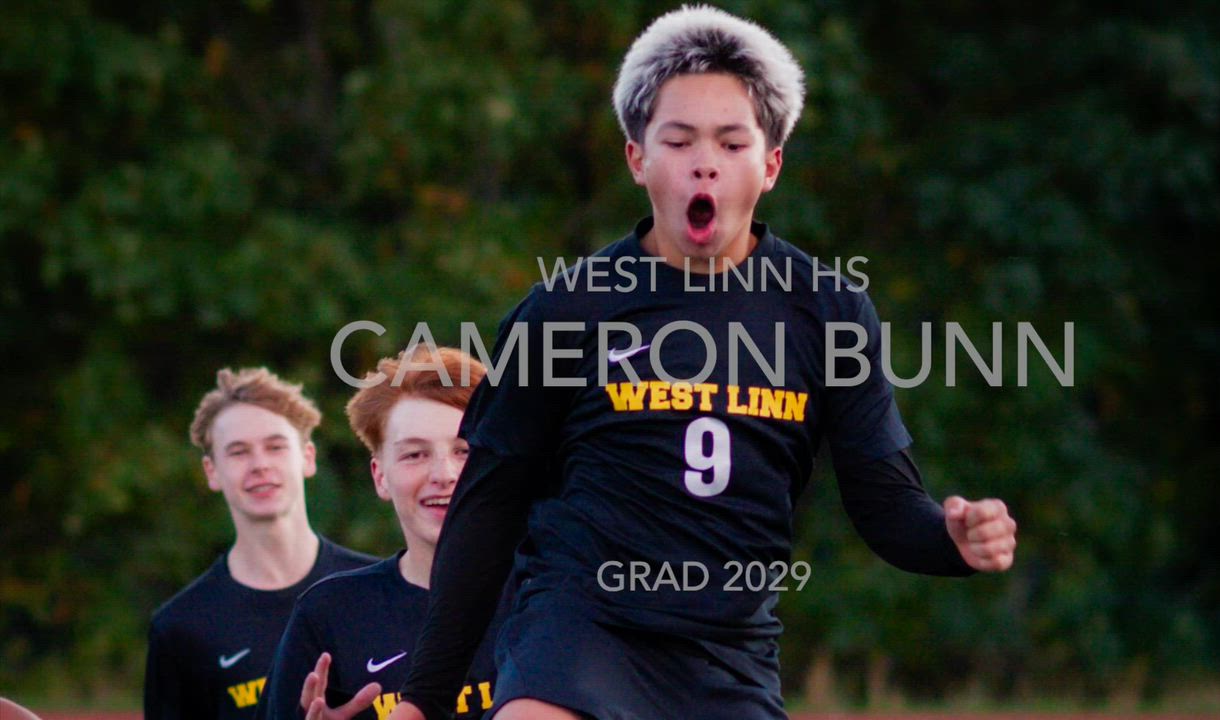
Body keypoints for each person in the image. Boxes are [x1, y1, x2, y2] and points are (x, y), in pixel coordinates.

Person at [391, 6, 1018, 719]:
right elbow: (488, 508)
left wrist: (950, 539)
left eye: (731, 140)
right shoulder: (566, 311)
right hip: (579, 634)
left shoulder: (827, 312)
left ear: (770, 165)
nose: (705, 160)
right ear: (638, 159)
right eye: (679, 138)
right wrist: (423, 699)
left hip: (728, 657)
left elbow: (885, 506)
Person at [258, 347, 510, 720]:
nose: (444, 474)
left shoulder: (554, 592)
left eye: (464, 450)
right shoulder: (330, 613)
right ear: (380, 476)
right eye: (415, 454)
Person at [145, 367, 376, 720]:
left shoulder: (377, 589)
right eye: (238, 452)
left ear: (307, 457)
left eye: (275, 446)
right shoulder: (180, 627)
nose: (259, 464)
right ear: (211, 471)